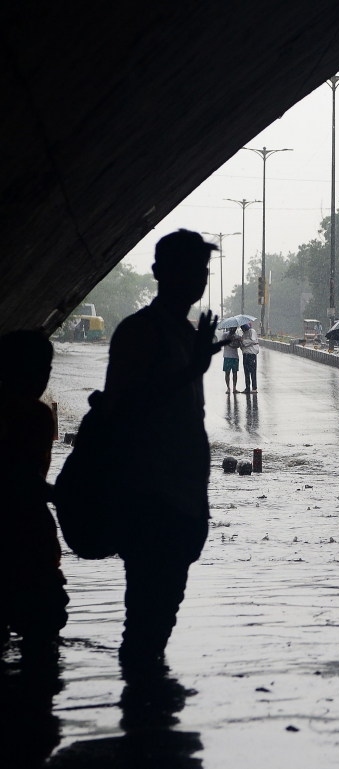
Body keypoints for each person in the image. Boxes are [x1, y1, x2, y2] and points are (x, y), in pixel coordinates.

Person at [100, 229, 224, 672]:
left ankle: (148, 712)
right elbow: (123, 407)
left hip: (185, 497)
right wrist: (191, 369)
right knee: (146, 618)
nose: (197, 280)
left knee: (161, 616)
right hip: (149, 498)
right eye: (189, 270)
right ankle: (144, 719)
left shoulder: (187, 336)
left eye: (202, 271)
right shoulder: (138, 333)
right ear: (159, 274)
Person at [0, 331, 68, 656]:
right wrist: (62, 495)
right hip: (28, 534)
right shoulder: (36, 416)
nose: (43, 379)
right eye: (40, 370)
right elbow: (23, 478)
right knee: (42, 637)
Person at [239, 322, 260, 393]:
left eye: (243, 327)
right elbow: (243, 345)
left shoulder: (252, 332)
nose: (242, 329)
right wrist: (241, 343)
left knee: (253, 371)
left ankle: (254, 388)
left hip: (251, 354)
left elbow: (253, 341)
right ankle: (247, 387)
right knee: (246, 372)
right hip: (245, 354)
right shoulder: (244, 334)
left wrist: (243, 341)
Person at [221, 325, 241, 393]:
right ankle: (228, 388)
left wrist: (238, 340)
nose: (233, 329)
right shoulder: (225, 335)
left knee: (235, 373)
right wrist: (228, 339)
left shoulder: (237, 335)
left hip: (235, 356)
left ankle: (234, 388)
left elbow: (239, 345)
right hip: (227, 356)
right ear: (229, 327)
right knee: (227, 373)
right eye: (232, 327)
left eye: (235, 328)